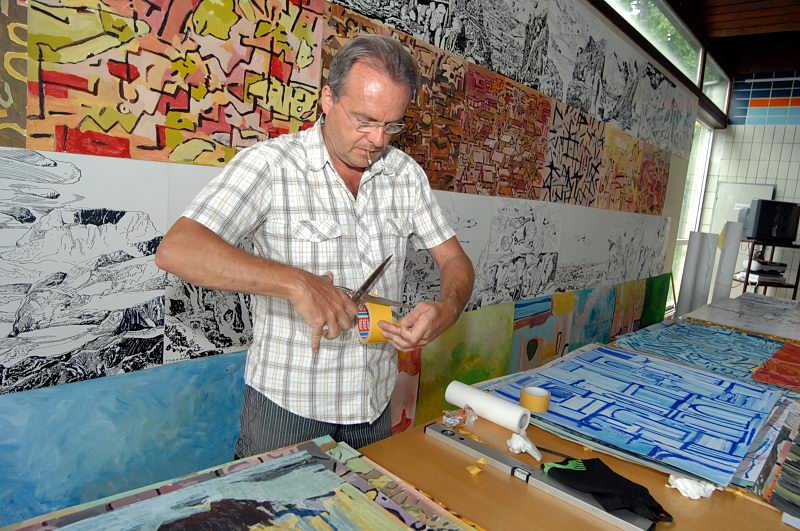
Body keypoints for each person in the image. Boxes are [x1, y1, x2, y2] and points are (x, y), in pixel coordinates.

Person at [155, 35, 474, 457]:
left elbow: (454, 259)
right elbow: (178, 249)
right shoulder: (271, 165)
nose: (378, 139)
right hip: (288, 408)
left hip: (373, 405)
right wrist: (296, 283)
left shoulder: (405, 175)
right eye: (364, 120)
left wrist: (447, 310)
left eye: (392, 125)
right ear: (327, 99)